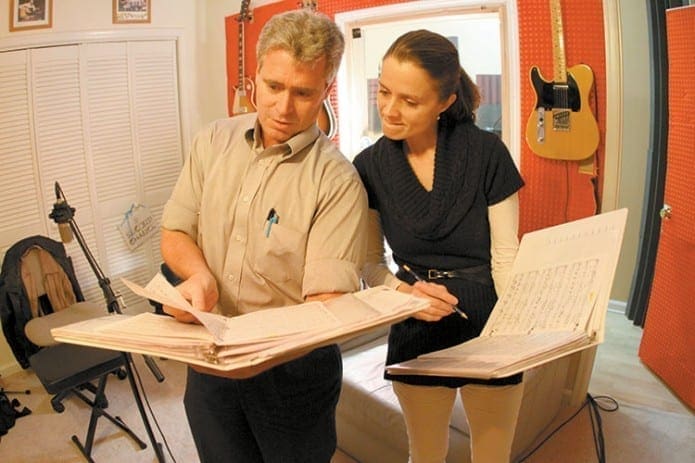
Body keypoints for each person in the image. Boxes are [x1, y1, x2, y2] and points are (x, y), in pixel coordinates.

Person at [159, 10, 367, 463]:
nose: (283, 107)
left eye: (303, 93)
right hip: (211, 366)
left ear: (326, 91)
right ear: (254, 78)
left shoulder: (337, 182)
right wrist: (197, 277)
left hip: (292, 380)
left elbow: (326, 304)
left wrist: (252, 357)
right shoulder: (211, 141)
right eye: (273, 87)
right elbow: (175, 230)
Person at [352, 30, 526, 463]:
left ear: (445, 102)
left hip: (489, 316)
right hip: (415, 321)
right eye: (384, 91)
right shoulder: (368, 166)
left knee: (492, 454)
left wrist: (519, 324)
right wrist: (404, 295)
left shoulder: (488, 152)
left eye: (410, 102)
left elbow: (506, 256)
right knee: (425, 453)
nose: (390, 110)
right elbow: (370, 265)